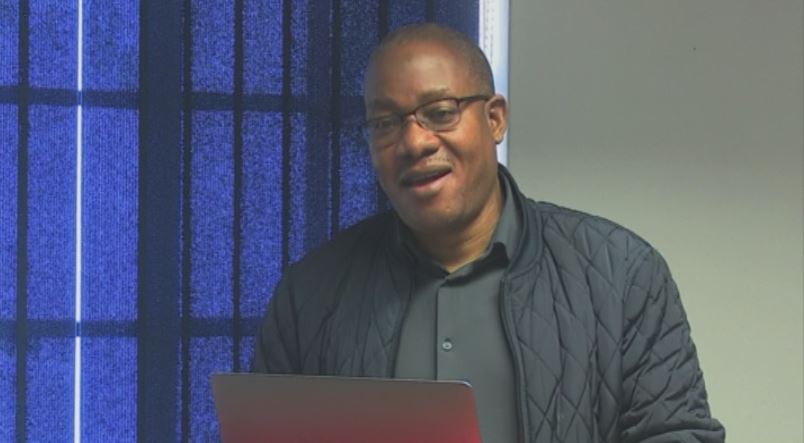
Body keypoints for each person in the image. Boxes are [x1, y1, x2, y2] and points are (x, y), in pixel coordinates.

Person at [252, 23, 725, 443]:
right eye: (385, 123)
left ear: (494, 119)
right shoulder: (309, 295)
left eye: (440, 112)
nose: (414, 142)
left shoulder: (622, 276)